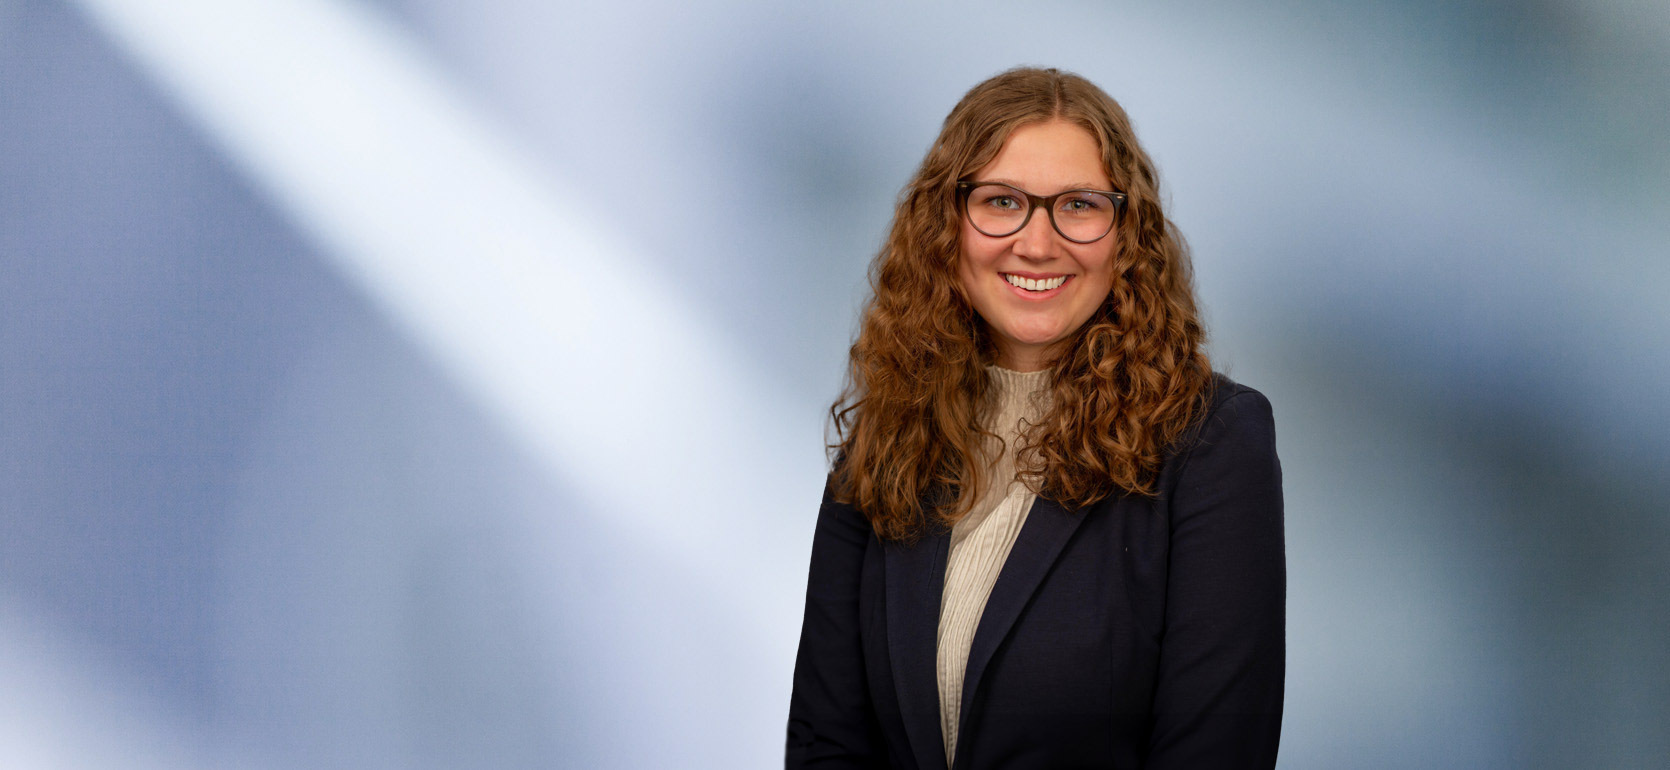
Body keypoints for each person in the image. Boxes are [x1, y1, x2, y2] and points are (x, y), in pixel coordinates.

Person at [785, 67, 1285, 769]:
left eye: (1078, 205)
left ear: (1126, 232)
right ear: (947, 224)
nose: (1038, 242)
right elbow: (824, 743)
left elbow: (1216, 751)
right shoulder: (884, 444)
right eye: (1002, 201)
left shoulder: (1212, 443)